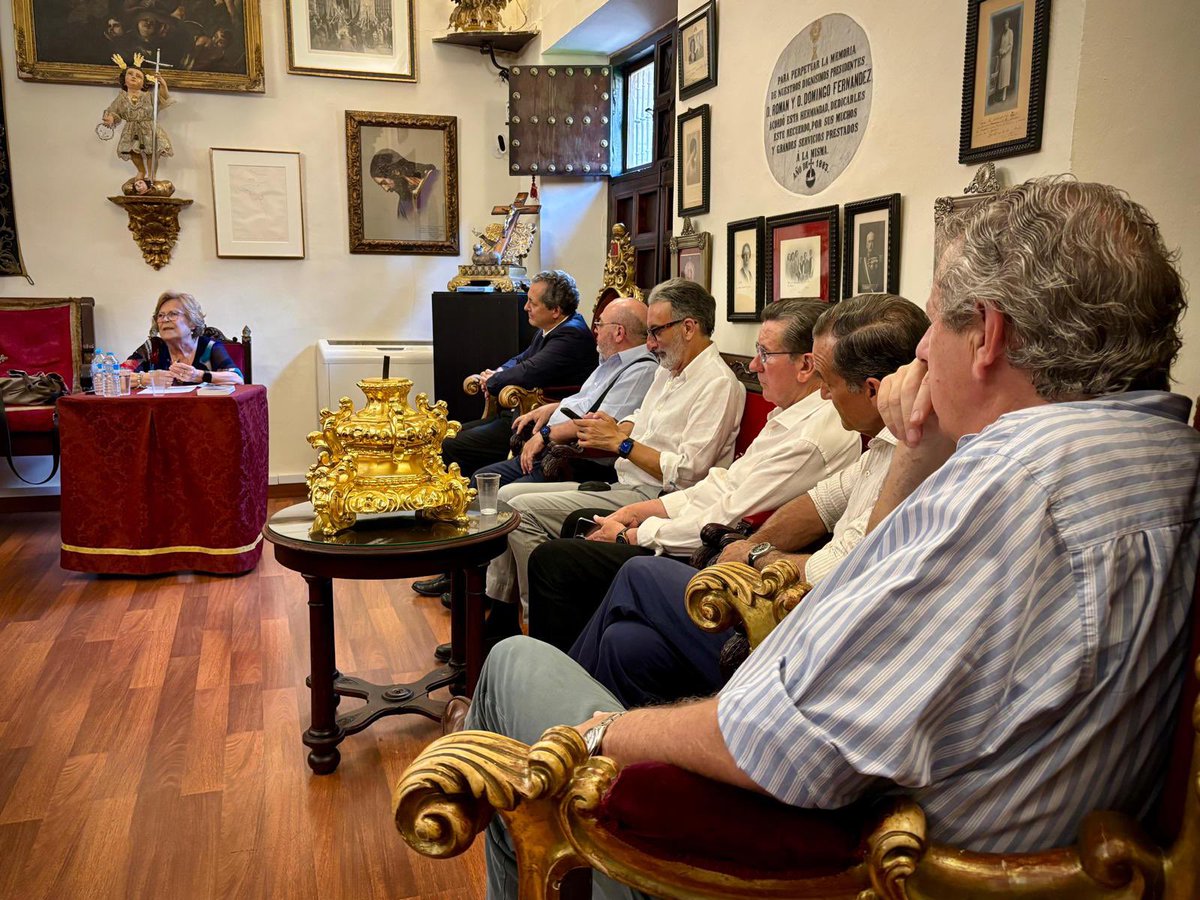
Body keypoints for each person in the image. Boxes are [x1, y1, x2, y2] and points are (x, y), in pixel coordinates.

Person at [465, 177, 1200, 898]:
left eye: (936, 325)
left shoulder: (1013, 479)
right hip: (977, 830)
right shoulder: (1164, 452)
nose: (918, 359)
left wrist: (598, 737)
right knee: (621, 638)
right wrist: (915, 449)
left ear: (989, 337)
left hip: (841, 860)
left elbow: (777, 737)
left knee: (511, 667)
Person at [566, 293, 929, 706]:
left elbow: (844, 568)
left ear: (873, 389)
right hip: (788, 597)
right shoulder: (881, 444)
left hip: (812, 644)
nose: (824, 395)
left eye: (828, 382)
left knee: (637, 573)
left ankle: (561, 717)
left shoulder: (913, 454)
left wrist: (753, 556)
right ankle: (602, 740)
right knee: (625, 643)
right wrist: (752, 545)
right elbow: (818, 502)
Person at [524, 298, 864, 652]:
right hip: (684, 517)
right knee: (580, 537)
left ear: (806, 365)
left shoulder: (809, 435)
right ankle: (568, 667)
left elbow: (724, 512)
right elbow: (721, 484)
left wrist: (635, 534)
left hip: (710, 553)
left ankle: (557, 670)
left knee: (555, 560)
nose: (752, 365)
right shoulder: (786, 414)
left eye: (764, 354)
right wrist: (635, 515)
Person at [473, 278, 745, 649]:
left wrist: (622, 442)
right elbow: (636, 415)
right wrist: (616, 428)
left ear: (688, 327)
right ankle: (505, 614)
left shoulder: (718, 384)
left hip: (661, 499)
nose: (649, 344)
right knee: (510, 499)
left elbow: (689, 471)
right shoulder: (669, 370)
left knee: (519, 510)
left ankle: (534, 626)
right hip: (625, 483)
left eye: (655, 332)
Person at [411, 298, 655, 606]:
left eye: (600, 325)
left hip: (574, 460)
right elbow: (583, 399)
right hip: (552, 445)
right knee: (481, 480)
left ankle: (490, 596)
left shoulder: (640, 371)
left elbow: (599, 426)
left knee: (492, 490)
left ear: (618, 332)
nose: (595, 331)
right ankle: (469, 581)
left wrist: (544, 434)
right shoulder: (610, 362)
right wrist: (552, 408)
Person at [439, 270, 598, 479]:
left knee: (451, 444)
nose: (526, 307)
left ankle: (459, 500)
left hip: (535, 422)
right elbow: (520, 360)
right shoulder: (554, 326)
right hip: (517, 415)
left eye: (532, 302)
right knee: (447, 434)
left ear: (556, 310)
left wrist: (492, 380)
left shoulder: (571, 335)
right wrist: (498, 373)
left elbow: (528, 371)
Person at [124, 291, 245, 387]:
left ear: (192, 322)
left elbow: (237, 378)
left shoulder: (209, 347)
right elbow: (112, 377)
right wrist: (145, 379)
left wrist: (199, 375)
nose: (164, 320)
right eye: (161, 315)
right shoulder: (153, 348)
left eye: (173, 314)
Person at [102, 58, 172, 193]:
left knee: (152, 152)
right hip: (131, 128)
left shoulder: (148, 96)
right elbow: (114, 111)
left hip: (148, 127)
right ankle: (141, 170)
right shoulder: (121, 97)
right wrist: (111, 118)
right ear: (124, 79)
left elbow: (162, 99)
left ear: (143, 83)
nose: (134, 77)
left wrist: (162, 85)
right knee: (133, 150)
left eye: (138, 76)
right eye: (130, 74)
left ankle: (152, 175)